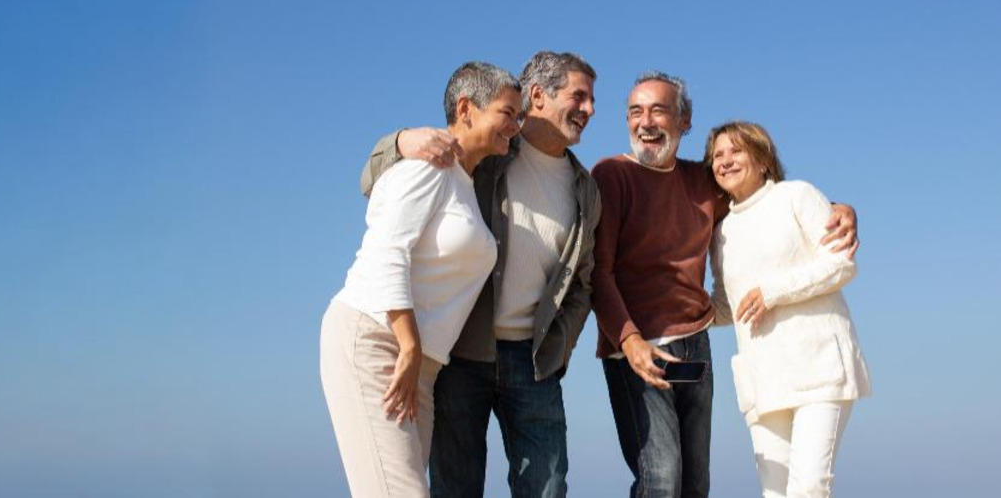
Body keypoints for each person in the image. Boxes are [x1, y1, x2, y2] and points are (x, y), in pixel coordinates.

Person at [590, 72, 859, 498]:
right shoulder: (610, 175)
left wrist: (840, 209)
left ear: (684, 121)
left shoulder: (706, 183)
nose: (646, 122)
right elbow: (597, 271)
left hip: (694, 346)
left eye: (658, 110)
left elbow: (763, 201)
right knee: (660, 477)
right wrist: (629, 341)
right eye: (635, 112)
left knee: (695, 483)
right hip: (641, 348)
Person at [361, 51, 601, 498]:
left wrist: (559, 347)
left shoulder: (586, 188)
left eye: (591, 100)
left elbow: (583, 282)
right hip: (460, 355)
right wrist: (400, 141)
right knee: (455, 488)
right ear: (537, 96)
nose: (590, 110)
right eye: (579, 97)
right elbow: (373, 176)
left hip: (534, 363)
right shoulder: (487, 153)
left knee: (547, 488)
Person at [320, 61, 522, 498]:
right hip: (378, 341)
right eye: (508, 113)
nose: (516, 126)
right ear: (467, 108)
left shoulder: (466, 182)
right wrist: (409, 346)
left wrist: (418, 358)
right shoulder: (427, 166)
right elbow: (387, 253)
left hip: (422, 367)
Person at [705, 121, 870, 498]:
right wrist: (680, 309)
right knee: (774, 492)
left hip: (819, 366)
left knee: (809, 486)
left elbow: (841, 263)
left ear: (763, 159)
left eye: (736, 151)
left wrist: (773, 291)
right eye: (718, 155)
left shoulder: (798, 196)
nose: (725, 161)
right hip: (762, 377)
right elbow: (729, 307)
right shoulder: (721, 232)